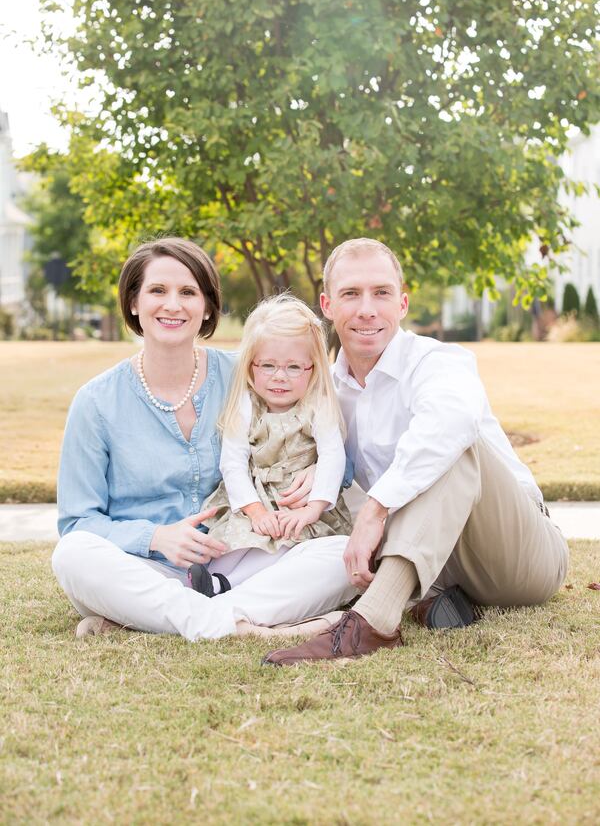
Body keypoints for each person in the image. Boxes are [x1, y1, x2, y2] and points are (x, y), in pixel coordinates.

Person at [263, 238, 569, 665]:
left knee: (455, 447)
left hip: (519, 554)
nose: (367, 308)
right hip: (436, 557)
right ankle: (431, 599)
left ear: (402, 303)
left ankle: (372, 624)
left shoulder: (438, 362)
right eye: (351, 294)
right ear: (328, 305)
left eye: (382, 293)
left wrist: (377, 507)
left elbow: (450, 428)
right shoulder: (327, 393)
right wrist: (322, 470)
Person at [51, 237, 356, 641]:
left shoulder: (249, 374)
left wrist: (317, 467)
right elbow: (78, 523)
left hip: (242, 560)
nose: (172, 305)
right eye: (157, 290)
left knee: (342, 555)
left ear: (208, 306)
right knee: (73, 557)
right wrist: (156, 537)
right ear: (133, 303)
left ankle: (175, 620)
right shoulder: (96, 402)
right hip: (145, 568)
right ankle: (237, 623)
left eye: (188, 292)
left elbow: (327, 440)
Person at [187, 294, 353, 596]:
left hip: (298, 504)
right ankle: (209, 580)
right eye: (268, 366)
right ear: (251, 367)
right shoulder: (247, 404)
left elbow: (332, 457)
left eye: (293, 367)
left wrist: (312, 510)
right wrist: (256, 512)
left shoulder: (318, 406)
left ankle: (228, 587)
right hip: (255, 499)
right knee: (237, 539)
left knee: (286, 544)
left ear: (312, 370)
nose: (280, 377)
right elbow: (233, 462)